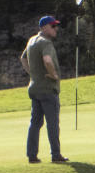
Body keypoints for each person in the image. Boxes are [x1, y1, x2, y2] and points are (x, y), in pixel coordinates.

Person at [20, 15, 69, 163]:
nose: (56, 29)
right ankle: (56, 154)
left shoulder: (31, 41)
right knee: (52, 122)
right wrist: (53, 74)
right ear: (44, 28)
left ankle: (32, 155)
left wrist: (33, 74)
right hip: (48, 89)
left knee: (35, 122)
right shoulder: (45, 43)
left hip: (35, 88)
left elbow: (22, 59)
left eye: (56, 26)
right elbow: (47, 60)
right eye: (53, 26)